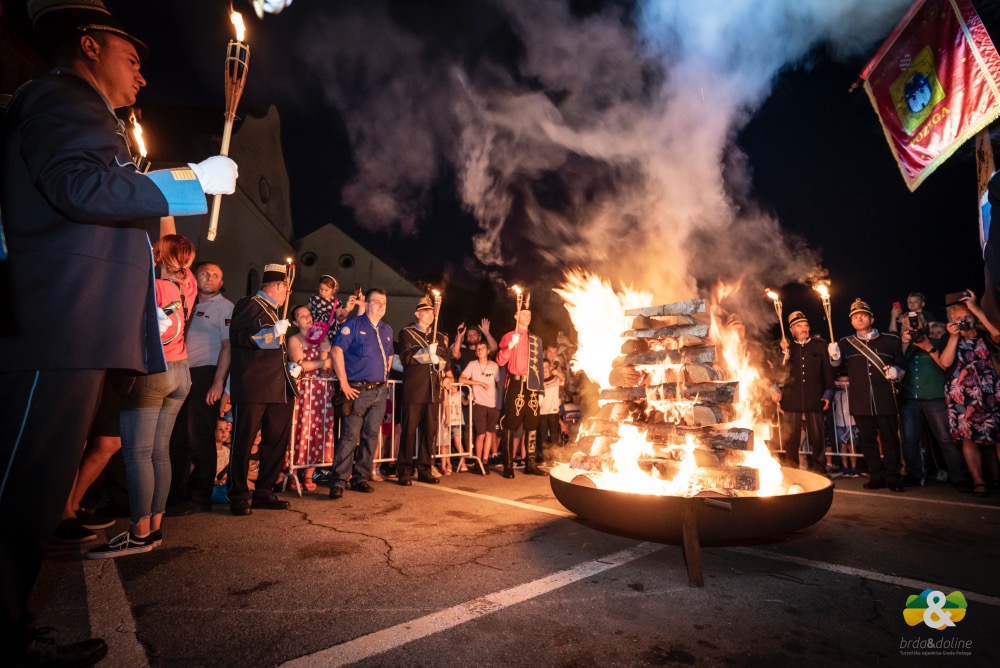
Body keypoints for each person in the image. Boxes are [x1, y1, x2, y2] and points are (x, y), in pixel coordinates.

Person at [0, 1, 237, 662]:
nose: (142, 76)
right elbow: (81, 188)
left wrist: (162, 189)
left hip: (68, 327)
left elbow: (99, 195)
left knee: (35, 491)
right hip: (55, 323)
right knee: (21, 491)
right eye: (132, 60)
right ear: (89, 46)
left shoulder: (79, 109)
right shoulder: (61, 97)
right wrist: (188, 180)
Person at [86, 234, 196, 558]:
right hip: (181, 372)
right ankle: (155, 528)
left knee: (137, 455)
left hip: (153, 374)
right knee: (159, 453)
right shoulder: (187, 285)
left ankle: (138, 533)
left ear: (161, 255)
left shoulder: (157, 286)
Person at [227, 264, 297, 516]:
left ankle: (264, 491)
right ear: (279, 286)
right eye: (287, 289)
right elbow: (239, 337)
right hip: (254, 385)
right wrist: (271, 333)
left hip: (279, 386)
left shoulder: (275, 311)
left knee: (275, 442)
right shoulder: (250, 304)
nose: (287, 294)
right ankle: (238, 494)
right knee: (244, 441)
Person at [165, 261, 234, 515]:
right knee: (178, 437)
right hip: (180, 371)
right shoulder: (188, 302)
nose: (209, 277)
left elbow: (228, 347)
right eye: (205, 273)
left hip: (206, 375)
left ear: (221, 281)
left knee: (200, 437)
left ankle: (199, 496)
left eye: (216, 275)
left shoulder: (225, 307)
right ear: (196, 276)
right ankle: (175, 495)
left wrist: (218, 383)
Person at [829, 299, 906, 492]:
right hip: (861, 400)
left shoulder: (890, 340)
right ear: (852, 322)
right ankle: (876, 476)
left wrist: (897, 370)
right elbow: (837, 368)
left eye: (863, 315)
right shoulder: (846, 343)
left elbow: (902, 365)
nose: (859, 318)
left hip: (885, 398)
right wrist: (835, 357)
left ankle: (893, 477)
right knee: (868, 442)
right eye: (855, 317)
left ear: (871, 318)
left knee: (890, 440)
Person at [328, 289, 394, 499]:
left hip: (379, 391)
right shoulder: (353, 326)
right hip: (357, 389)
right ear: (366, 304)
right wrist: (344, 384)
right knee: (349, 436)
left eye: (384, 302)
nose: (381, 305)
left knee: (371, 436)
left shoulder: (387, 329)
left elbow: (390, 355)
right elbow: (336, 351)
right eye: (377, 301)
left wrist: (384, 377)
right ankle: (339, 481)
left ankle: (360, 478)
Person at [935, 291, 1000, 498]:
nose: (962, 320)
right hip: (962, 395)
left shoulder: (984, 333)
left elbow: (998, 335)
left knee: (998, 436)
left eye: (965, 316)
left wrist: (977, 311)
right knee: (968, 439)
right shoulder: (948, 337)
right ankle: (978, 481)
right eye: (957, 318)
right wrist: (954, 336)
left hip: (991, 392)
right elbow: (945, 363)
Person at [899, 313, 970, 490]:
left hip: (935, 397)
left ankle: (958, 476)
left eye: (915, 324)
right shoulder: (902, 346)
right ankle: (914, 475)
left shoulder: (937, 343)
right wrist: (904, 343)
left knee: (946, 439)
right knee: (910, 439)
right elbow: (895, 362)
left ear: (924, 325)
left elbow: (944, 364)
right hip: (909, 398)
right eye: (908, 325)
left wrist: (926, 345)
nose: (912, 328)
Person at [395, 295, 448, 485]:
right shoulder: (407, 333)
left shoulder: (439, 337)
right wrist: (426, 354)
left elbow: (445, 362)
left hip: (433, 391)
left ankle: (425, 469)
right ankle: (404, 471)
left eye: (432, 312)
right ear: (417, 313)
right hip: (414, 389)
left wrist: (437, 361)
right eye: (426, 311)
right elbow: (405, 358)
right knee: (408, 432)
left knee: (429, 433)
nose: (430, 315)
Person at [776, 311, 834, 473]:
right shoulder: (786, 347)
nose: (804, 329)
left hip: (815, 397)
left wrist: (829, 393)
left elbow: (827, 372)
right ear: (792, 330)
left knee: (817, 437)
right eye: (799, 326)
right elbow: (779, 372)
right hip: (791, 399)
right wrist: (784, 354)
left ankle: (820, 470)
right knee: (791, 439)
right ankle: (791, 472)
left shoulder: (820, 345)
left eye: (806, 325)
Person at [496, 294, 546, 478]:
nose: (527, 316)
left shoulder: (536, 340)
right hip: (516, 383)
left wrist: (541, 390)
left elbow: (540, 367)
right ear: (516, 316)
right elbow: (500, 360)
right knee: (511, 422)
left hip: (532, 385)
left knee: (532, 423)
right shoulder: (509, 336)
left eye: (529, 314)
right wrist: (510, 346)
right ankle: (508, 465)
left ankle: (530, 464)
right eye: (523, 314)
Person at [286, 304, 335, 491]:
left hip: (321, 390)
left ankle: (309, 473)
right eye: (301, 315)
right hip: (304, 389)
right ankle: (293, 470)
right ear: (295, 322)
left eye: (308, 314)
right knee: (300, 427)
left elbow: (326, 369)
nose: (307, 317)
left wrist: (324, 352)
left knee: (317, 429)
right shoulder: (294, 339)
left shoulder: (321, 339)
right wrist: (323, 360)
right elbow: (299, 364)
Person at [461, 340, 501, 474]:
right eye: (478, 349)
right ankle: (478, 461)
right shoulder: (473, 365)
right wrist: (478, 383)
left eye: (483, 348)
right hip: (479, 403)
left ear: (488, 351)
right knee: (481, 434)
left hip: (493, 403)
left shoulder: (494, 366)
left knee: (490, 432)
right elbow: (461, 379)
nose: (480, 351)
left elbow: (499, 383)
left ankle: (485, 461)